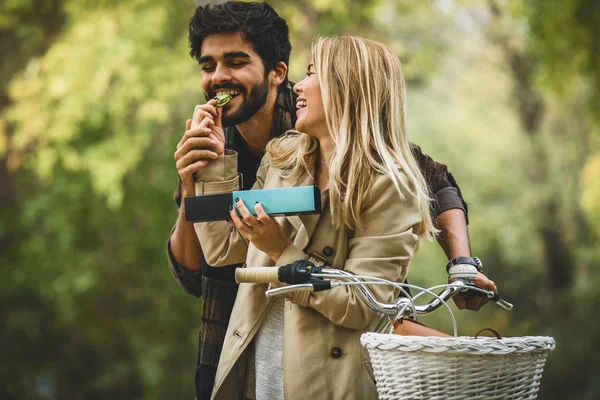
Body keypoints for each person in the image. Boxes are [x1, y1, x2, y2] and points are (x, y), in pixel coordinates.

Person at [168, 2, 496, 398]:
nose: (219, 77)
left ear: (277, 73)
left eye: (235, 62)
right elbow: (209, 258)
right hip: (249, 354)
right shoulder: (275, 155)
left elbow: (435, 186)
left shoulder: (378, 172)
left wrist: (461, 264)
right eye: (208, 66)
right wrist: (203, 172)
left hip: (331, 367)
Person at [193, 34, 438, 400]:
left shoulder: (391, 187)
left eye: (312, 73)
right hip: (256, 371)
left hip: (328, 383)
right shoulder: (283, 159)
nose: (299, 86)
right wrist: (214, 156)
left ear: (348, 88)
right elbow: (222, 249)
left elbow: (362, 305)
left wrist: (282, 250)